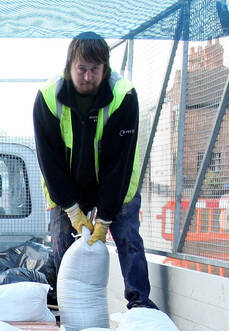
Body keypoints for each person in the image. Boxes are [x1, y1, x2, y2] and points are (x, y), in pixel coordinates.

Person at [34, 32, 157, 310]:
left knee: (128, 237)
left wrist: (105, 219)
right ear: (69, 67)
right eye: (81, 69)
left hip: (115, 182)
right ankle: (67, 306)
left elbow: (119, 163)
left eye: (94, 70)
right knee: (63, 241)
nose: (88, 77)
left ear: (106, 69)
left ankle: (140, 302)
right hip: (67, 183)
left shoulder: (123, 96)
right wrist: (72, 209)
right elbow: (50, 161)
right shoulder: (48, 98)